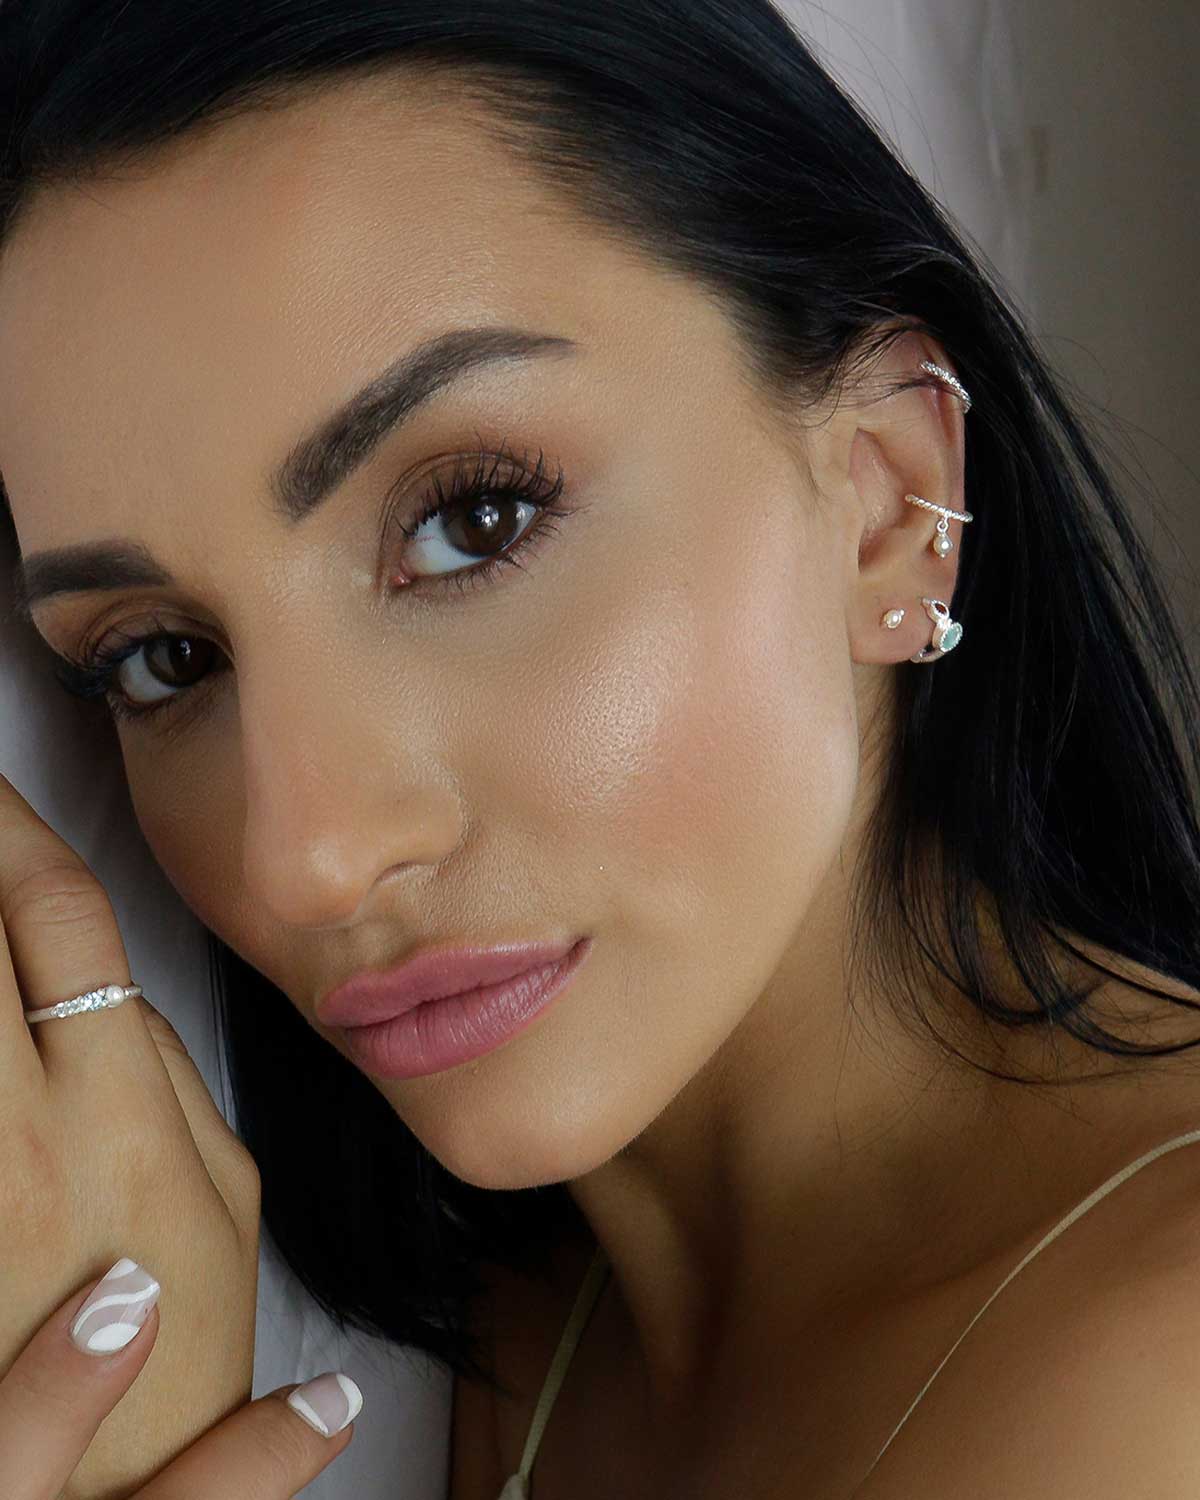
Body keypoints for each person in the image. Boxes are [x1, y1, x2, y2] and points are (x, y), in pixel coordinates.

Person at [0, 1, 1198, 1496]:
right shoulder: (515, 1322)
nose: (301, 856)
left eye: (475, 520)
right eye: (162, 659)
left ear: (891, 500)